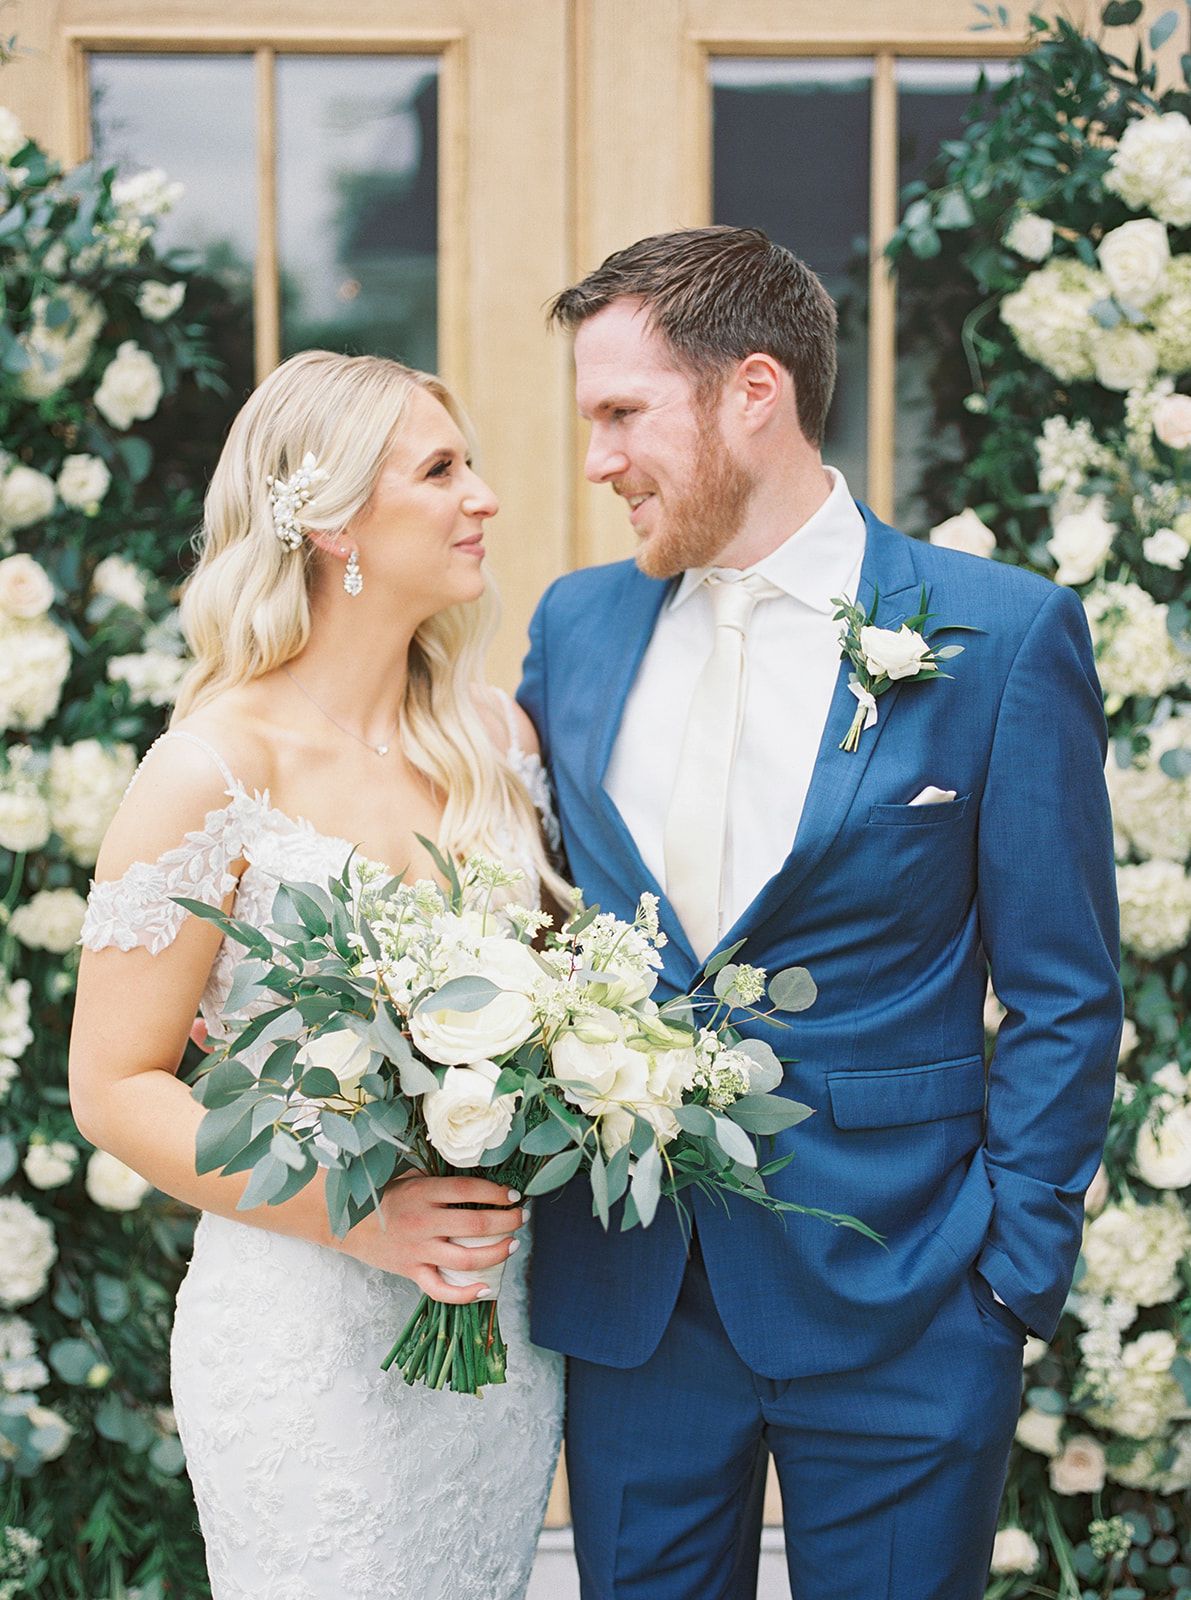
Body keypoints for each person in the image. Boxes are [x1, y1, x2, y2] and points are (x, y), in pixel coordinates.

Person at [517, 226, 1122, 1600]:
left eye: (623, 414)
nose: (597, 460)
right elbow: (531, 905)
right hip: (634, 1301)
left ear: (752, 392)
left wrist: (1007, 1278)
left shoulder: (998, 634)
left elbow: (1065, 988)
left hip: (907, 1298)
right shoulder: (575, 626)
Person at [69, 350, 564, 1600]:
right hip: (301, 1334)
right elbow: (115, 1087)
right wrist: (364, 1216)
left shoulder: (496, 744)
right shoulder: (212, 770)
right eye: (441, 470)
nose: (484, 496)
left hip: (492, 1326)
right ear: (335, 521)